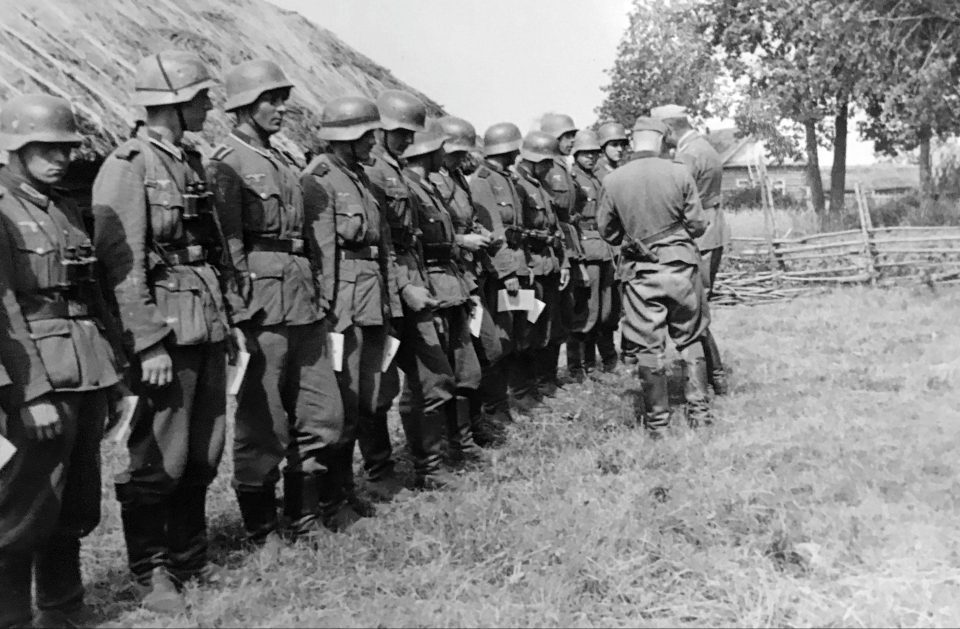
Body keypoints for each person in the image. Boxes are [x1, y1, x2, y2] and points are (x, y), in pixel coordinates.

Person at [93, 50, 238, 613]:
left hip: (205, 323)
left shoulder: (187, 161)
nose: (208, 104)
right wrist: (147, 340)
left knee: (204, 450)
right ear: (173, 104)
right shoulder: (128, 165)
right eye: (200, 97)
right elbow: (120, 262)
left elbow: (210, 251)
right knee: (160, 456)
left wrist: (227, 323)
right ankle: (151, 572)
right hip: (167, 335)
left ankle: (189, 557)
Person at [206, 59, 351, 538]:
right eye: (271, 100)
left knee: (323, 415)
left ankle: (304, 511)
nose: (281, 109)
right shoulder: (227, 162)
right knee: (262, 423)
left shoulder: (282, 160)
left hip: (302, 301)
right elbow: (225, 244)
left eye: (282, 99)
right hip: (260, 305)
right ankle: (263, 529)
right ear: (244, 106)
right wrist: (235, 310)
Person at [0, 94, 122, 629]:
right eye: (45, 148)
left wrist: (113, 377)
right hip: (38, 380)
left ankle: (64, 611)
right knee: (23, 508)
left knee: (74, 505)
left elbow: (90, 296)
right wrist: (30, 394)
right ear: (15, 149)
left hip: (86, 371)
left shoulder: (65, 207)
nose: (59, 159)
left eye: (65, 149)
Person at [364, 90, 459, 490]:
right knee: (377, 391)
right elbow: (380, 243)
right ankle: (380, 473)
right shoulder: (369, 172)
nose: (408, 140)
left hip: (413, 282)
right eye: (401, 133)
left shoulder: (398, 172)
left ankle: (429, 465)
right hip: (383, 292)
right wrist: (404, 289)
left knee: (433, 378)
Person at [597, 117, 713, 438]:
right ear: (662, 141)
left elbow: (606, 230)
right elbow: (698, 225)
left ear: (634, 142)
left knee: (648, 346)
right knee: (690, 339)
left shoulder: (614, 179)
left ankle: (658, 424)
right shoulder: (679, 172)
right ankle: (700, 414)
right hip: (680, 268)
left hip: (641, 273)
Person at [402, 129, 484, 465]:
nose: (446, 154)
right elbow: (413, 247)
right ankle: (429, 459)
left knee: (466, 373)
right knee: (430, 382)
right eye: (440, 149)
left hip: (453, 286)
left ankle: (461, 444)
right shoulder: (408, 189)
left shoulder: (430, 188)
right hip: (431, 289)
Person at [428, 116, 508, 443]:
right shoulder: (429, 181)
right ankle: (459, 435)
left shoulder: (459, 178)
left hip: (469, 278)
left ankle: (475, 423)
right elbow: (431, 232)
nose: (461, 157)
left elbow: (466, 219)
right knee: (459, 361)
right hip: (445, 279)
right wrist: (462, 241)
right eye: (455, 151)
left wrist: (479, 233)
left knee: (487, 348)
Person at [651, 104, 729, 395]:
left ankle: (714, 376)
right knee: (696, 310)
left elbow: (676, 197)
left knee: (694, 311)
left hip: (700, 236)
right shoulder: (702, 146)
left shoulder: (689, 154)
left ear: (669, 129)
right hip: (711, 232)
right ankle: (715, 376)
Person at [468, 122, 530, 414]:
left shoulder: (507, 178)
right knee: (500, 339)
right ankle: (496, 406)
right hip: (499, 271)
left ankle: (511, 396)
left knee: (517, 332)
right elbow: (493, 229)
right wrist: (507, 273)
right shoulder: (483, 180)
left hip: (515, 263)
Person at [511, 131, 569, 407]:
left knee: (548, 328)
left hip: (549, 267)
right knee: (527, 331)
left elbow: (555, 228)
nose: (549, 167)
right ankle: (524, 389)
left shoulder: (540, 186)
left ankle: (543, 382)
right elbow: (516, 232)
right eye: (544, 162)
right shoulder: (518, 187)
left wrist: (564, 263)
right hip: (531, 268)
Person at [567, 129, 619, 380]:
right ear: (575, 154)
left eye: (594, 153)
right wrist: (577, 260)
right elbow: (569, 221)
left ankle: (591, 363)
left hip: (604, 248)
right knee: (585, 313)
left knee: (603, 312)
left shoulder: (597, 178)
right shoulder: (572, 179)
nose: (590, 157)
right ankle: (577, 367)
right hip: (586, 250)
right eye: (585, 153)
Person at [537, 113, 582, 395]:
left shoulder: (564, 167)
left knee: (563, 315)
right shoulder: (546, 169)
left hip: (567, 241)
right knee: (547, 318)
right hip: (556, 243)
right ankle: (542, 379)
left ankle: (551, 377)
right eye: (567, 136)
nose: (572, 141)